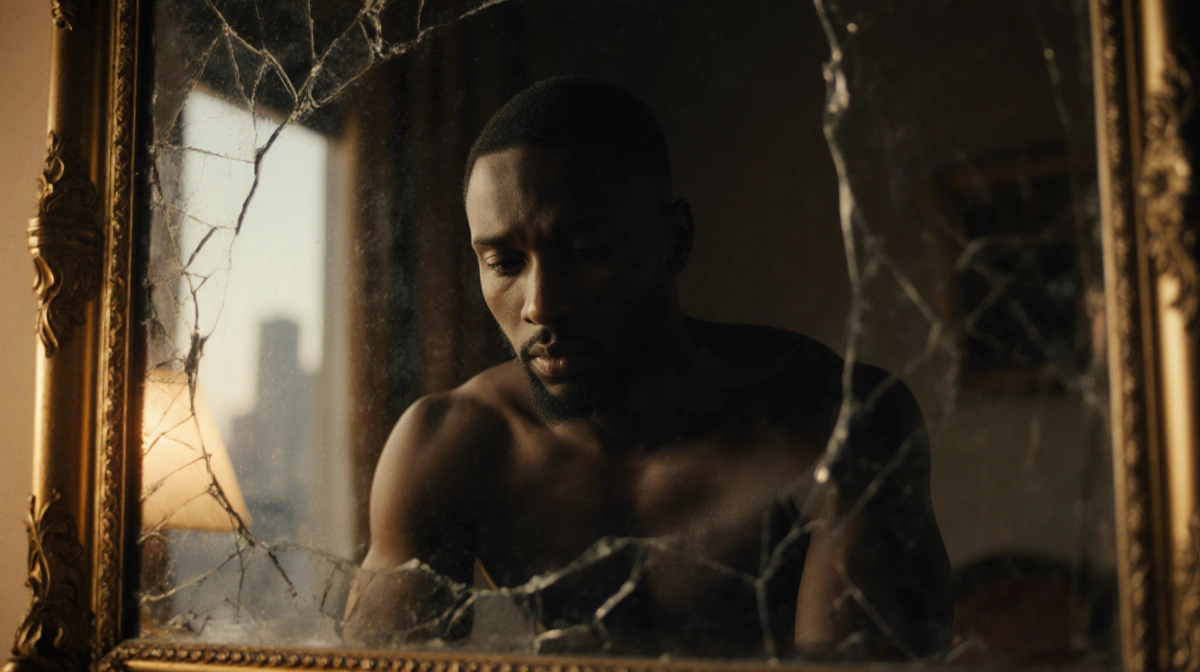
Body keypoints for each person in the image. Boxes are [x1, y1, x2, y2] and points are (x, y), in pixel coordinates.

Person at [344, 76, 952, 660]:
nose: (540, 305)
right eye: (504, 263)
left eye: (587, 251)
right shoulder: (448, 445)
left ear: (675, 240)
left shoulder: (837, 428)